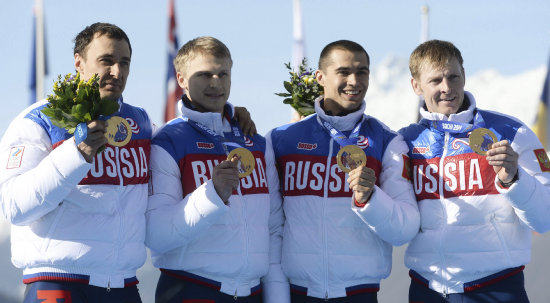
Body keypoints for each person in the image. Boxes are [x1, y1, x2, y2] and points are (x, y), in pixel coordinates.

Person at [0, 23, 256, 303]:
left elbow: (187, 131)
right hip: (58, 281)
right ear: (79, 62)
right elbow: (14, 206)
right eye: (106, 61)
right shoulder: (40, 119)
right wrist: (76, 154)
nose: (117, 72)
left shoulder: (141, 123)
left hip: (122, 285)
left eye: (124, 62)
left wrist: (228, 116)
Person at [266, 40, 420, 302]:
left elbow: (405, 229)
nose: (354, 81)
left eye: (362, 72)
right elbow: (270, 226)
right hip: (297, 292)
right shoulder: (281, 139)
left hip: (359, 293)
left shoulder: (386, 141)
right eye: (344, 72)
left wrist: (370, 199)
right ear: (320, 77)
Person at [399, 39, 550, 303]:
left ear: (464, 76)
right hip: (427, 289)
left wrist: (515, 179)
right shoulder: (403, 142)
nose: (447, 88)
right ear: (416, 85)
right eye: (435, 81)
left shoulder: (512, 132)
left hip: (497, 288)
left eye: (453, 77)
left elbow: (544, 218)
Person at [145, 36, 285, 303]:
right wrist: (213, 195)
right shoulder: (167, 141)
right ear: (181, 79)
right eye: (204, 74)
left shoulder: (255, 141)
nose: (216, 83)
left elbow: (274, 227)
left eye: (223, 74)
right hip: (192, 289)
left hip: (251, 292)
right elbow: (156, 235)